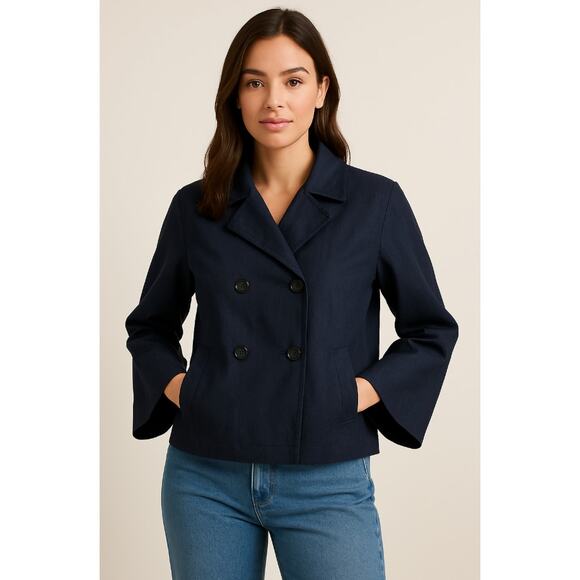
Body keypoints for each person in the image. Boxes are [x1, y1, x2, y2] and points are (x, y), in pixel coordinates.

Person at [124, 8, 459, 580]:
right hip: (205, 474)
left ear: (322, 90)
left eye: (293, 80)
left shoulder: (373, 203)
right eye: (255, 82)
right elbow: (149, 327)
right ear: (235, 96)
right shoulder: (196, 206)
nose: (273, 101)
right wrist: (188, 388)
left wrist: (352, 394)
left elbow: (431, 329)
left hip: (326, 472)